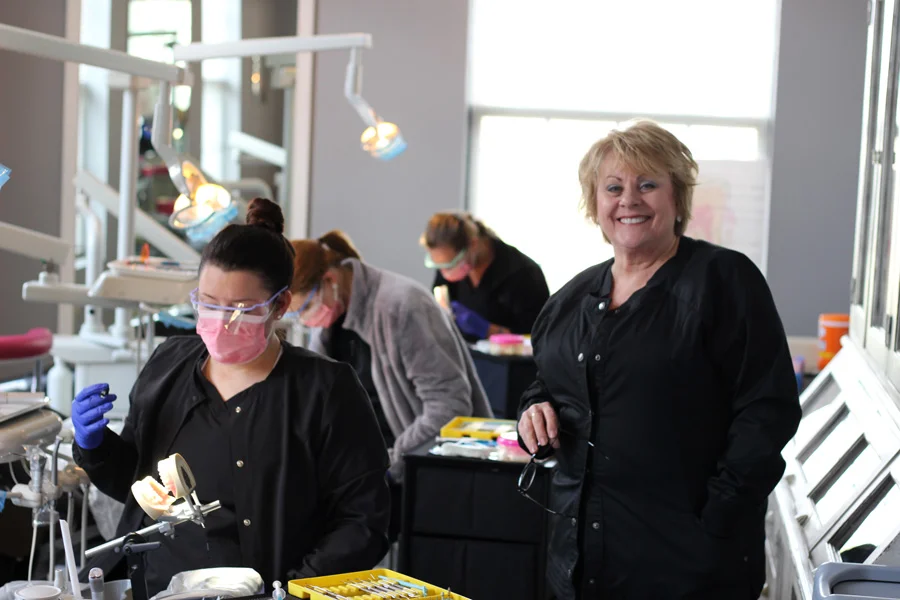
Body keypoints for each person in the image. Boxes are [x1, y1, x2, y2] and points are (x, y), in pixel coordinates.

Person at [515, 121, 801, 600]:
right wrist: (533, 410)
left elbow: (767, 408)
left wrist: (717, 518)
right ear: (594, 204)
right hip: (581, 561)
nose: (629, 200)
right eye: (613, 188)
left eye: (647, 184)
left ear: (677, 199)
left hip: (687, 566)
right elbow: (549, 383)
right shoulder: (569, 299)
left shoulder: (724, 281)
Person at [72, 198, 390, 596]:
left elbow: (363, 522)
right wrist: (94, 445)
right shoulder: (169, 364)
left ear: (280, 305)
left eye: (240, 309)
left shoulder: (325, 391)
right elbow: (136, 487)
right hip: (153, 585)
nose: (220, 323)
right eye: (208, 304)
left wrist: (292, 589)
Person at [286, 230, 493, 481]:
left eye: (306, 307)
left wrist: (385, 465)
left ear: (330, 280)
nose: (305, 320)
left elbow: (448, 406)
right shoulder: (328, 323)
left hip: (423, 475)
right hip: (367, 473)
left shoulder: (403, 306)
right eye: (296, 315)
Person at [421, 213, 550, 341]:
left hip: (508, 354)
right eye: (439, 266)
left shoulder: (523, 273)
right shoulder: (449, 265)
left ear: (473, 244)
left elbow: (537, 337)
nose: (444, 273)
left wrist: (487, 330)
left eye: (450, 265)